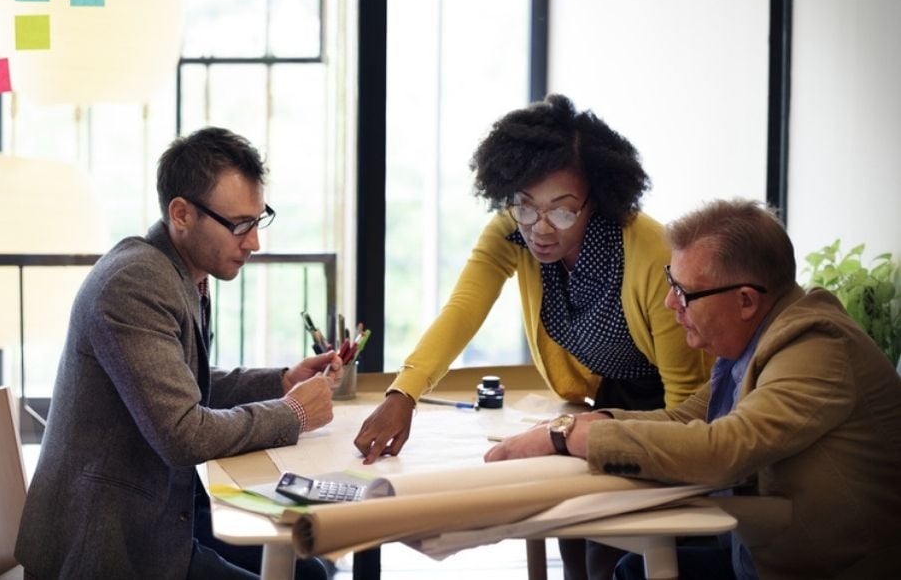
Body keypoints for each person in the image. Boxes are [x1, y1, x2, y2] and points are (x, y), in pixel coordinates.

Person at [353, 94, 711, 579]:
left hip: (679, 406)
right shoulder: (512, 233)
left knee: (613, 547)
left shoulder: (647, 250)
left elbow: (688, 399)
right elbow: (462, 311)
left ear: (597, 199)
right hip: (611, 396)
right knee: (574, 537)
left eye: (562, 211)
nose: (540, 228)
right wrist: (404, 393)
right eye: (525, 206)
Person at [485, 198, 901, 579]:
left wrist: (566, 437)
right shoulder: (754, 342)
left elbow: (723, 448)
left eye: (684, 291)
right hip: (759, 557)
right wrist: (582, 424)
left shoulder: (816, 347)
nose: (670, 303)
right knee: (633, 570)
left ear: (745, 301)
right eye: (671, 280)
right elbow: (684, 418)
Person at [15, 127, 343, 579]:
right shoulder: (134, 283)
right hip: (109, 546)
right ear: (182, 213)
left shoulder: (176, 271)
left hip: (156, 516)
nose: (254, 242)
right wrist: (293, 414)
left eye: (258, 219)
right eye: (239, 225)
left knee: (311, 569)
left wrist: (280, 382)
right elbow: (183, 435)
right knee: (309, 573)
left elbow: (182, 382)